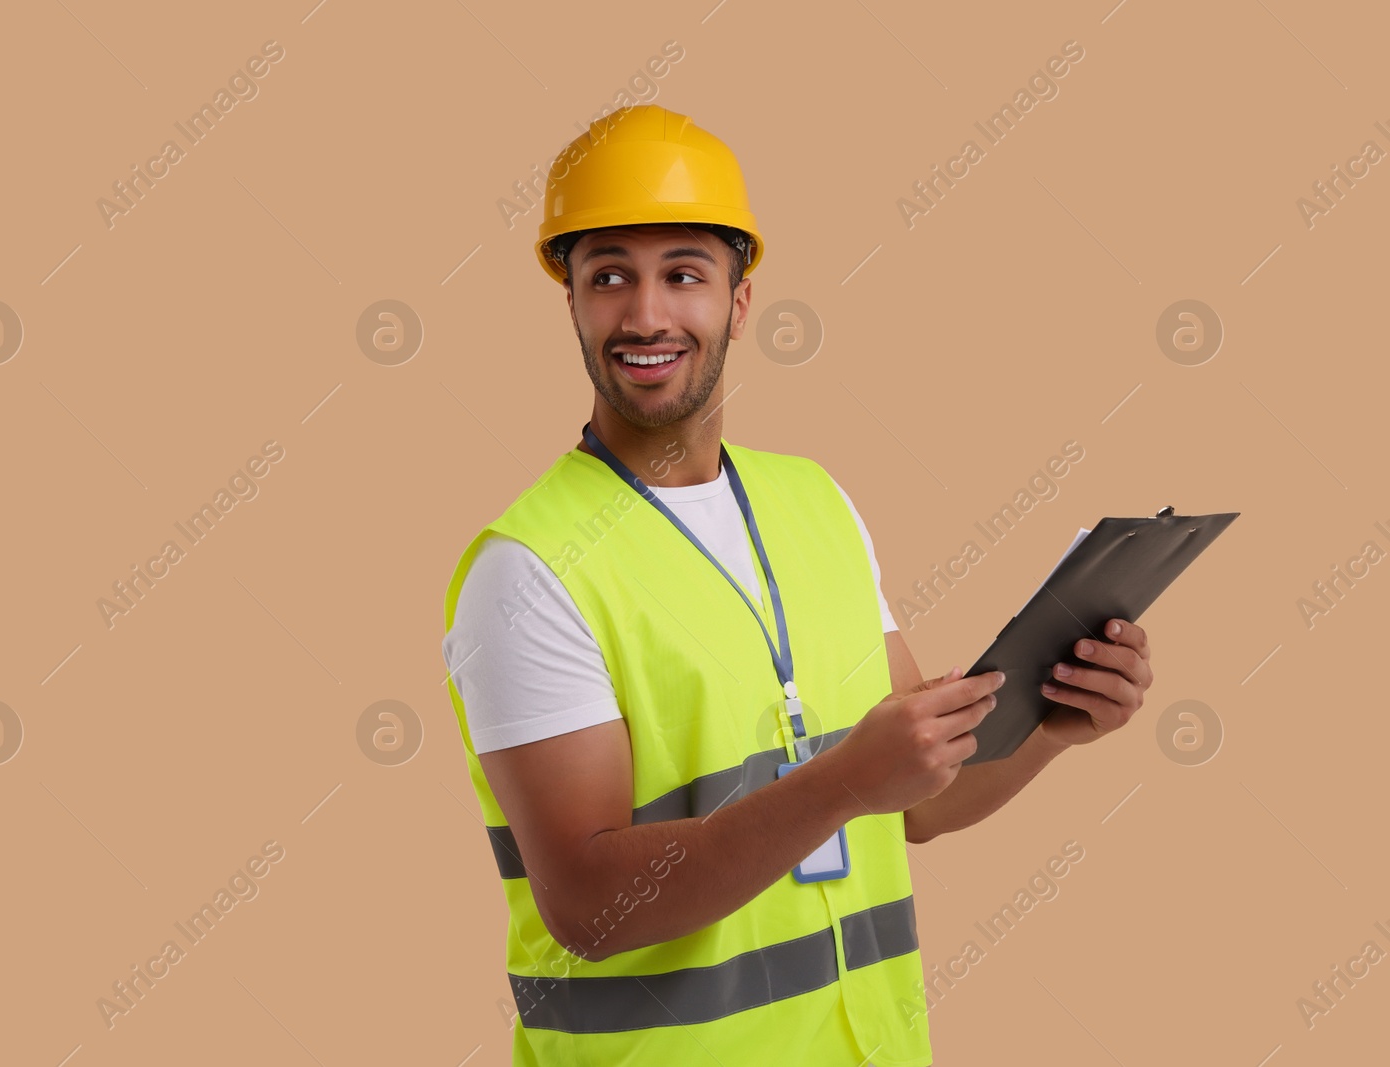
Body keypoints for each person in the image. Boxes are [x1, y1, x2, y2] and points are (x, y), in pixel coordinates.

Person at [440, 104, 1154, 1067]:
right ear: (570, 299)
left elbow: (921, 802)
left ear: (739, 300)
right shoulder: (525, 571)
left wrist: (1053, 726)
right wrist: (842, 783)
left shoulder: (812, 501)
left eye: (684, 273)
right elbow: (590, 906)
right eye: (609, 275)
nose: (646, 314)